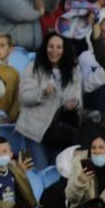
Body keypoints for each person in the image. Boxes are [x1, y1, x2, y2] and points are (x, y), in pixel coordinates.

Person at [17, 32, 82, 171]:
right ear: (44, 48)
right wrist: (43, 92)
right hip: (35, 131)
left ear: (65, 50)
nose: (54, 51)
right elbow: (24, 97)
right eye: (50, 46)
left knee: (59, 171)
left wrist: (75, 103)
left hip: (62, 131)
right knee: (41, 170)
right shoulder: (33, 67)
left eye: (59, 47)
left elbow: (77, 96)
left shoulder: (73, 70)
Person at [65, 131, 105, 208]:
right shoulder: (80, 164)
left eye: (101, 147)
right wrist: (80, 182)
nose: (97, 151)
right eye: (93, 148)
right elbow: (71, 198)